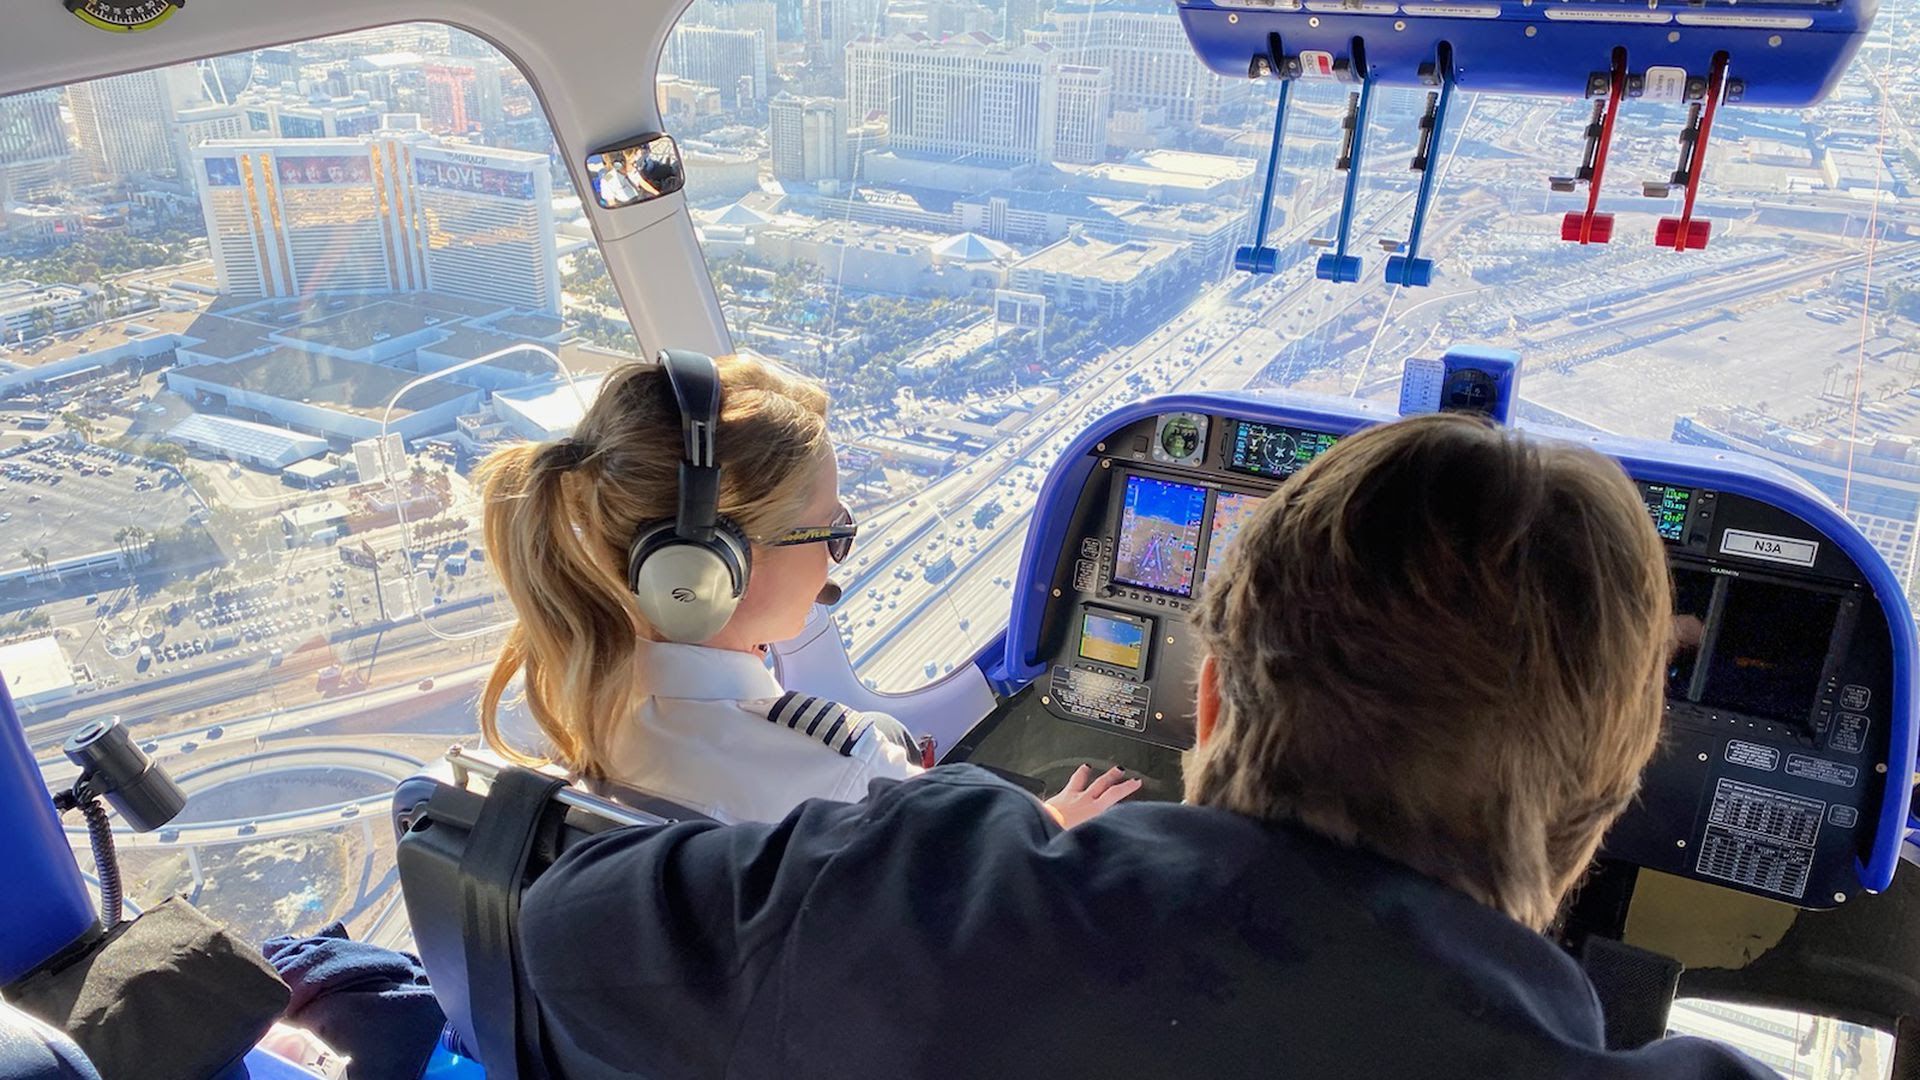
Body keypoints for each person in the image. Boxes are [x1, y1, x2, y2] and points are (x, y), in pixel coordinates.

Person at [518, 413, 1775, 1079]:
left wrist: (978, 852)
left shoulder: (892, 896)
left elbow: (550, 934)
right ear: (1603, 794)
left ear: (1214, 700)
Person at [477, 351, 1140, 826]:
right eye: (831, 531)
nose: (837, 560)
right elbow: (975, 887)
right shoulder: (842, 776)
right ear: (711, 569)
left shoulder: (588, 718)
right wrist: (1048, 825)